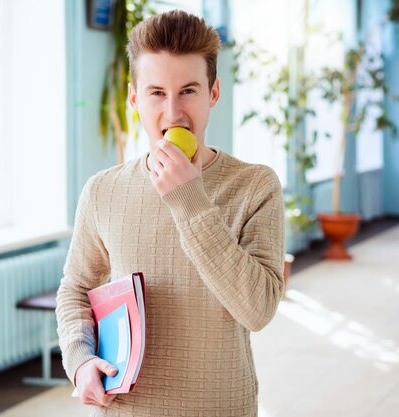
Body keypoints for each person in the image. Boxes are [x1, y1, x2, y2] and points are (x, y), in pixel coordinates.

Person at [56, 9, 285, 417]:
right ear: (134, 98)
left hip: (221, 407)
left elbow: (257, 310)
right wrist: (79, 360)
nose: (174, 112)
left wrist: (190, 201)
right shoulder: (102, 190)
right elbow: (76, 290)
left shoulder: (255, 186)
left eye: (189, 91)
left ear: (214, 93)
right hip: (124, 409)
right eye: (157, 92)